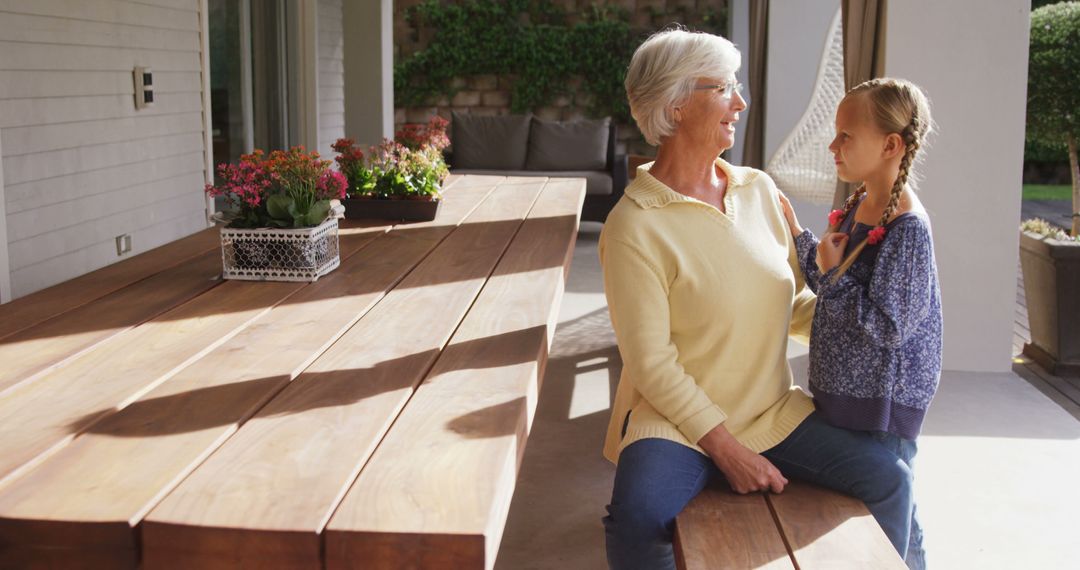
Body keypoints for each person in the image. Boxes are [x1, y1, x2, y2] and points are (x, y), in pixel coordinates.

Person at [600, 29, 918, 569]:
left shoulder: (758, 190)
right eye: (724, 88)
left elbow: (793, 305)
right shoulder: (633, 226)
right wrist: (728, 451)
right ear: (675, 105)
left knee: (889, 479)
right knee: (637, 515)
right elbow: (651, 363)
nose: (740, 103)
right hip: (674, 424)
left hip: (772, 412)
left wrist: (875, 330)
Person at [779, 77, 942, 570]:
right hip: (844, 396)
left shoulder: (906, 228)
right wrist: (799, 239)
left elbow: (888, 328)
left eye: (846, 135)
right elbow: (833, 278)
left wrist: (828, 272)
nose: (833, 145)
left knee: (894, 518)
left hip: (880, 406)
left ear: (891, 144)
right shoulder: (859, 206)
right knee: (890, 512)